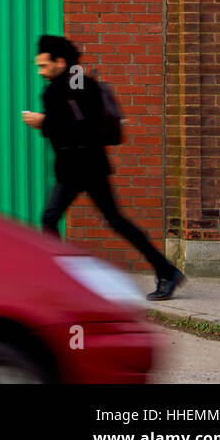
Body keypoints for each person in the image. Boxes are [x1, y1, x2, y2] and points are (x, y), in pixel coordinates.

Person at [22, 34, 185, 302]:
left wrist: (44, 122)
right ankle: (166, 271)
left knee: (60, 219)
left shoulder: (69, 88)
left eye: (43, 66)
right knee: (108, 220)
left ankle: (61, 278)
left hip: (83, 168)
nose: (40, 71)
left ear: (60, 62)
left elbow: (81, 129)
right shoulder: (79, 85)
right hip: (83, 167)